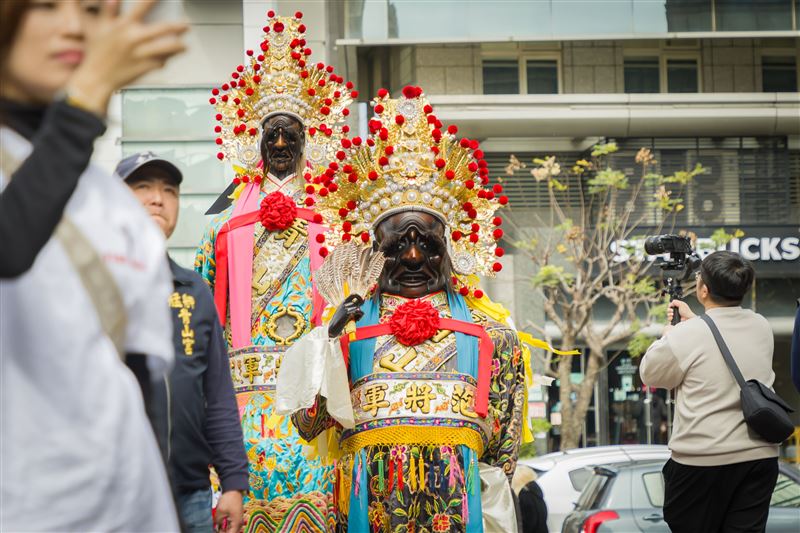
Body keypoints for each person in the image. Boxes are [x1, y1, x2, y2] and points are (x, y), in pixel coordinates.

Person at [279, 88, 527, 532]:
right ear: (373, 252)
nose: (413, 258)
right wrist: (329, 342)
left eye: (427, 245)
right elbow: (306, 424)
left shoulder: (493, 337)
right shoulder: (345, 333)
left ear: (450, 250)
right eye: (398, 246)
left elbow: (501, 459)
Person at [0, 1, 186, 530]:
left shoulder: (113, 202)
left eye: (91, 9)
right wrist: (84, 101)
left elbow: (138, 377)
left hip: (126, 501)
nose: (73, 26)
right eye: (46, 5)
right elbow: (9, 245)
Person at [194, 11, 356, 532]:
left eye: (291, 135)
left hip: (313, 398)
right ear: (256, 142)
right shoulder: (224, 227)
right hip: (242, 397)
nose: (282, 145)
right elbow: (201, 310)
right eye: (273, 135)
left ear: (309, 141)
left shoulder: (332, 223)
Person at [119, 152, 249, 533]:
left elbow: (217, 394)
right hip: (118, 491)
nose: (158, 199)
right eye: (143, 187)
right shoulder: (96, 283)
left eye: (169, 191)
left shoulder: (194, 290)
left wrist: (233, 482)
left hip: (191, 493)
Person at [640, 251, 779, 533]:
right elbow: (723, 338)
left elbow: (650, 374)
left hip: (702, 462)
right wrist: (695, 322)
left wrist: (668, 336)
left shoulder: (686, 335)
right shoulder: (762, 326)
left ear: (703, 290)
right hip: (758, 458)